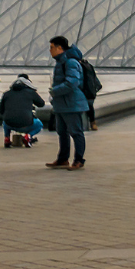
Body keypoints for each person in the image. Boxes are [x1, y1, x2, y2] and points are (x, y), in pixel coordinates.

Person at [45, 36, 87, 170]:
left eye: (52, 47)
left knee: (76, 132)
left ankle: (78, 160)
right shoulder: (61, 62)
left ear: (59, 48)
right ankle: (63, 159)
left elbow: (72, 83)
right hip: (62, 104)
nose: (50, 50)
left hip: (71, 104)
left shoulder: (70, 62)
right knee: (62, 132)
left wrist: (54, 91)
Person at [0, 74, 45, 147]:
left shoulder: (7, 93)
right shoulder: (31, 92)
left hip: (9, 124)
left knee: (5, 121)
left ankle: (7, 138)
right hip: (26, 124)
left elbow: (1, 111)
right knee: (39, 125)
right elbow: (41, 104)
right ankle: (28, 136)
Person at [77, 52, 102, 131]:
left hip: (84, 92)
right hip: (91, 92)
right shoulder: (88, 65)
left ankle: (90, 123)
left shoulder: (78, 67)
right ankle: (93, 123)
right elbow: (95, 79)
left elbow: (79, 81)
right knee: (90, 107)